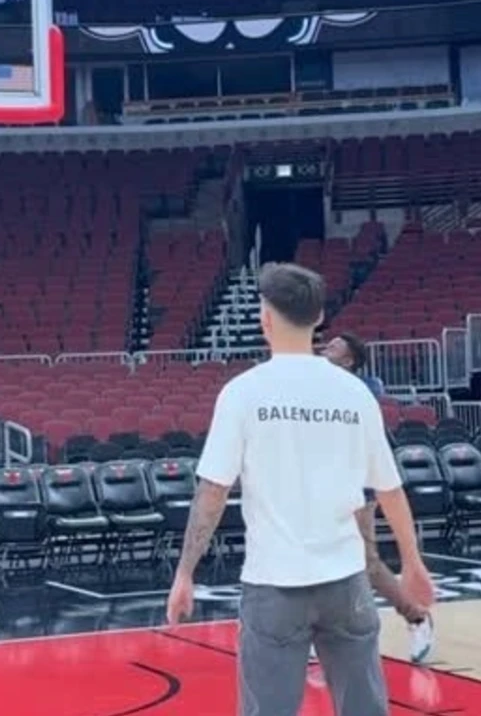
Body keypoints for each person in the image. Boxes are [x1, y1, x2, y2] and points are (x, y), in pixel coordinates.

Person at [166, 262, 436, 716]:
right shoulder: (355, 395)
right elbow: (389, 489)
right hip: (347, 584)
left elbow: (212, 492)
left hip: (274, 584)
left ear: (265, 318)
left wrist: (185, 573)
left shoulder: (242, 393)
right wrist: (412, 562)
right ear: (317, 319)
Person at [324, 331, 436, 664]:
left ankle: (416, 616)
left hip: (356, 488)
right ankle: (325, 635)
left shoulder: (361, 392)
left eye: (334, 346)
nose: (324, 347)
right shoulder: (317, 385)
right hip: (320, 489)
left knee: (367, 564)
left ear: (348, 360)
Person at [323, 333, 385, 399]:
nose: (323, 353)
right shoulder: (318, 384)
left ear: (347, 362)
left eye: (332, 349)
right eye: (326, 349)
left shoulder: (369, 387)